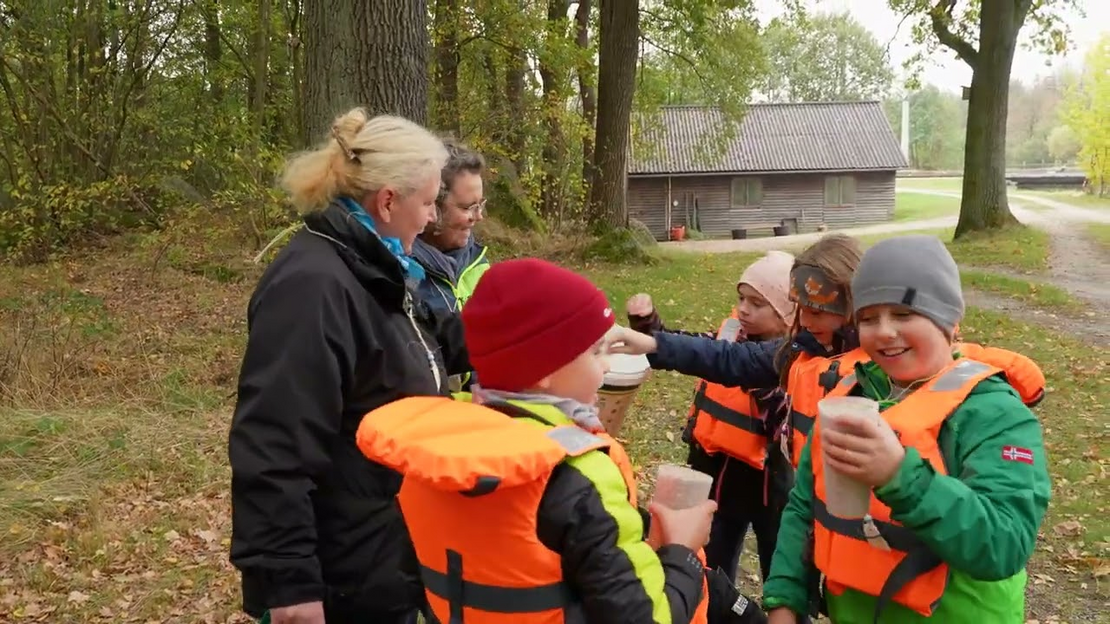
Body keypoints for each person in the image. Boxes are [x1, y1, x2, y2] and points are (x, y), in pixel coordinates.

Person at [356, 258, 768, 624]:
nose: (605, 367)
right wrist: (682, 552)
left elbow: (413, 578)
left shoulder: (432, 455)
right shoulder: (580, 477)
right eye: (595, 353)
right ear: (544, 371)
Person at [227, 109, 471, 624]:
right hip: (342, 576)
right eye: (428, 202)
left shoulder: (376, 267)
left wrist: (540, 334)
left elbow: (426, 343)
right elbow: (274, 443)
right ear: (388, 201)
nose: (432, 217)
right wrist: (290, 586)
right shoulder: (312, 286)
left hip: (385, 555)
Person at [762, 234, 1051, 623]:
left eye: (903, 314)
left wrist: (898, 475)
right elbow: (803, 505)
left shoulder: (994, 413)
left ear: (949, 321)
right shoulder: (852, 394)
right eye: (868, 318)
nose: (883, 331)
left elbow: (1005, 544)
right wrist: (784, 599)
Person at [626, 250, 797, 585]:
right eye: (741, 298)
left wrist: (758, 386)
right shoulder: (730, 338)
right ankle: (713, 603)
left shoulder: (791, 361)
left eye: (757, 303)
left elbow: (774, 406)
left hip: (767, 482)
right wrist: (649, 329)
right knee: (712, 563)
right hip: (715, 472)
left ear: (786, 315)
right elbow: (695, 348)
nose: (743, 309)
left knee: (779, 565)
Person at [411, 137, 490, 314]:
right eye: (468, 207)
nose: (478, 216)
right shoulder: (403, 275)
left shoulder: (478, 263)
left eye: (480, 205)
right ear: (432, 204)